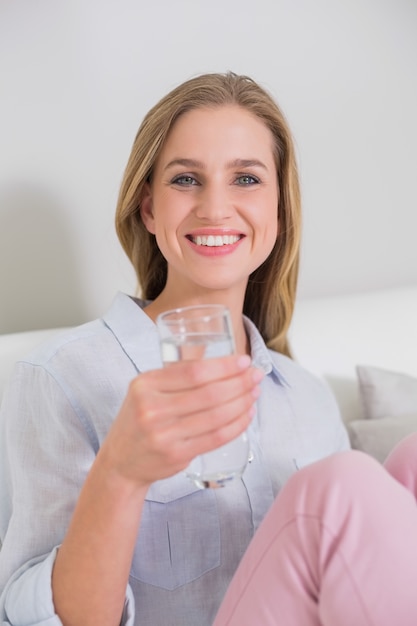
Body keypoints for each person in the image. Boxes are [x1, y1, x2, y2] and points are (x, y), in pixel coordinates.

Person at [0, 71, 353, 625]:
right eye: (186, 179)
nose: (215, 208)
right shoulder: (61, 378)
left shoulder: (309, 398)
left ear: (279, 212)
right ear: (148, 209)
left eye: (246, 179)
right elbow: (29, 615)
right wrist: (121, 473)